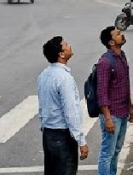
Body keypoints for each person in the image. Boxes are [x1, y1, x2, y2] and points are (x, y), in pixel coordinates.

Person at [38, 36, 89, 175]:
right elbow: (71, 112)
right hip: (62, 137)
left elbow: (42, 106)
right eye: (66, 45)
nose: (69, 45)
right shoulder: (64, 78)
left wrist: (44, 127)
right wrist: (81, 141)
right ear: (61, 54)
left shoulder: (44, 75)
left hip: (48, 134)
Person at [96, 26, 133, 175]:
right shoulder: (105, 62)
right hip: (112, 115)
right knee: (107, 153)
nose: (122, 35)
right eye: (118, 34)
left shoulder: (122, 56)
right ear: (111, 42)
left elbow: (125, 85)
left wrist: (130, 108)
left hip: (123, 112)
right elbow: (102, 92)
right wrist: (108, 118)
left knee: (116, 151)